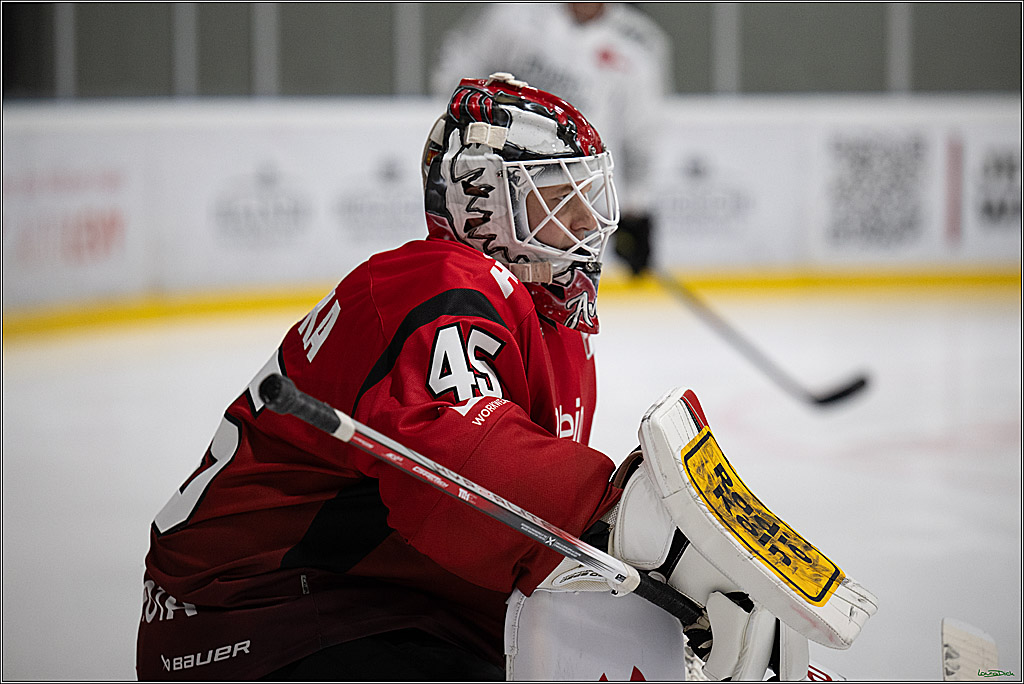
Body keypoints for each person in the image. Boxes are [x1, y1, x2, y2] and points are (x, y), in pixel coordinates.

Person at [136, 73, 624, 681]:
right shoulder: (443, 281)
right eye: (556, 196)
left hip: (389, 608)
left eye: (587, 196)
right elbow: (468, 473)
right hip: (263, 615)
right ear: (485, 204)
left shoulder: (553, 324)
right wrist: (621, 523)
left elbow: (510, 542)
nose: (585, 222)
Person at [431, 2, 672, 276]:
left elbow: (642, 131)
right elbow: (459, 72)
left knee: (565, 296)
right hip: (501, 185)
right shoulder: (514, 16)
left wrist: (636, 207)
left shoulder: (636, 42)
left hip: (584, 193)